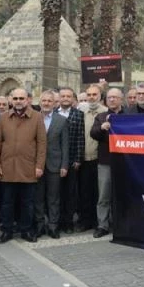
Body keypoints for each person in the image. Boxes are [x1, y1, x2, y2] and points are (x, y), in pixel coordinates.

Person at [0, 88, 46, 244]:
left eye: (21, 98)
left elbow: (42, 144)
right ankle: (7, 231)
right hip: (7, 167)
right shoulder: (3, 117)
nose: (18, 101)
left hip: (28, 168)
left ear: (27, 100)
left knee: (27, 203)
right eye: (15, 98)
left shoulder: (37, 117)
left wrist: (39, 165)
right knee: (7, 203)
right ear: (11, 100)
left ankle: (26, 230)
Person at [90, 88, 125, 238]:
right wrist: (102, 127)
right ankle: (102, 225)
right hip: (106, 162)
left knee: (123, 195)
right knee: (104, 196)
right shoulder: (101, 116)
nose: (112, 100)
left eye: (115, 97)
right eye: (109, 97)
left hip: (126, 162)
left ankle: (121, 224)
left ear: (121, 99)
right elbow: (93, 133)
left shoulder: (129, 116)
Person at [35, 91, 69, 239]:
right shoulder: (33, 118)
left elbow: (65, 145)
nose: (46, 103)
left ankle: (53, 226)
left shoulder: (61, 120)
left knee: (53, 198)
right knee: (38, 197)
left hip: (55, 165)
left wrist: (64, 165)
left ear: (54, 103)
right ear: (40, 102)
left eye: (49, 101)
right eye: (44, 101)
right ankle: (39, 225)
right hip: (36, 165)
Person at [78, 86, 106, 233]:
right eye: (89, 94)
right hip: (83, 158)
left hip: (99, 158)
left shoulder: (105, 112)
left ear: (100, 96)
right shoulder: (81, 112)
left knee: (98, 192)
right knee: (84, 191)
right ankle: (85, 221)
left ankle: (97, 221)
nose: (91, 97)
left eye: (94, 94)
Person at [56, 87, 83, 234]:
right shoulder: (53, 113)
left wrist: (78, 158)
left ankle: (68, 222)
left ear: (72, 99)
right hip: (55, 160)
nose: (66, 98)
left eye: (68, 96)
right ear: (59, 98)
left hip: (72, 160)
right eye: (63, 96)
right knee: (57, 192)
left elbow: (80, 137)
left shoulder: (79, 115)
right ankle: (58, 221)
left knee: (70, 192)